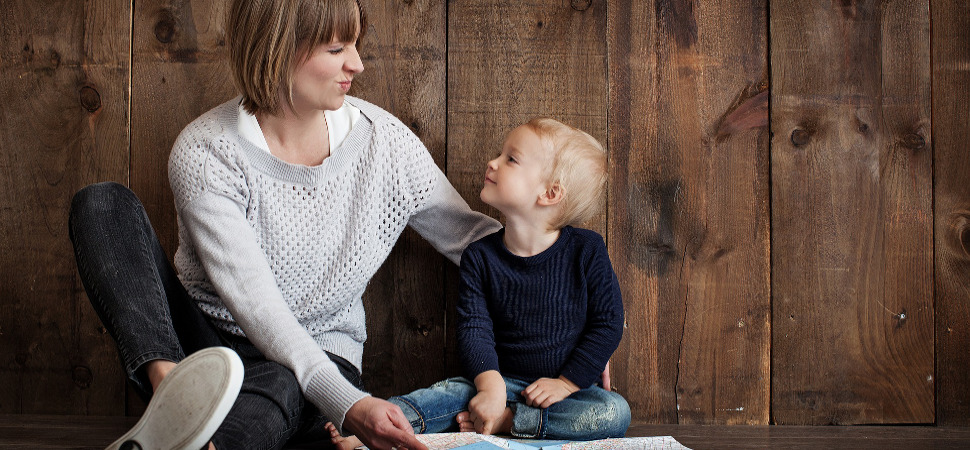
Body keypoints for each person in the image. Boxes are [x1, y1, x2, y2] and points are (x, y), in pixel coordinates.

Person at [68, 0, 501, 448]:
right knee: (102, 204)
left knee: (280, 382)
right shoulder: (207, 151)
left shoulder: (384, 144)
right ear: (276, 49)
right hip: (204, 347)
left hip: (317, 361)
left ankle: (187, 438)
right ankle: (171, 391)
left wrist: (576, 260)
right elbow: (256, 304)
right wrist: (351, 406)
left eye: (355, 44)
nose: (357, 63)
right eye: (336, 49)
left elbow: (471, 239)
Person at [328, 118, 630, 449]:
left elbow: (608, 323)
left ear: (550, 193)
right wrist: (490, 388)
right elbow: (475, 329)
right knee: (445, 395)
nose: (493, 162)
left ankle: (511, 422)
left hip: (566, 392)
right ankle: (375, 427)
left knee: (614, 412)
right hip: (498, 381)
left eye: (511, 159)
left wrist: (567, 383)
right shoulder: (480, 256)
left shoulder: (587, 250)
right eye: (501, 154)